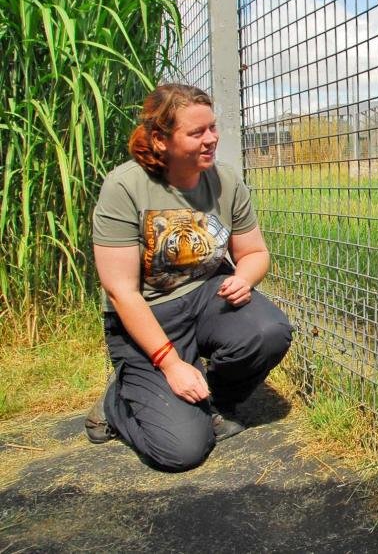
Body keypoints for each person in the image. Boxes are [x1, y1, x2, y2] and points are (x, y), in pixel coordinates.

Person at [84, 84, 292, 472]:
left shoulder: (225, 181)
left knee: (269, 331)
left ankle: (214, 400)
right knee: (183, 452)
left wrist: (245, 277)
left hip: (207, 298)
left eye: (212, 127)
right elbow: (121, 291)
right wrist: (169, 364)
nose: (211, 138)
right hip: (147, 316)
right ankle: (119, 402)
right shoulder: (124, 187)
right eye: (197, 132)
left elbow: (255, 253)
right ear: (161, 139)